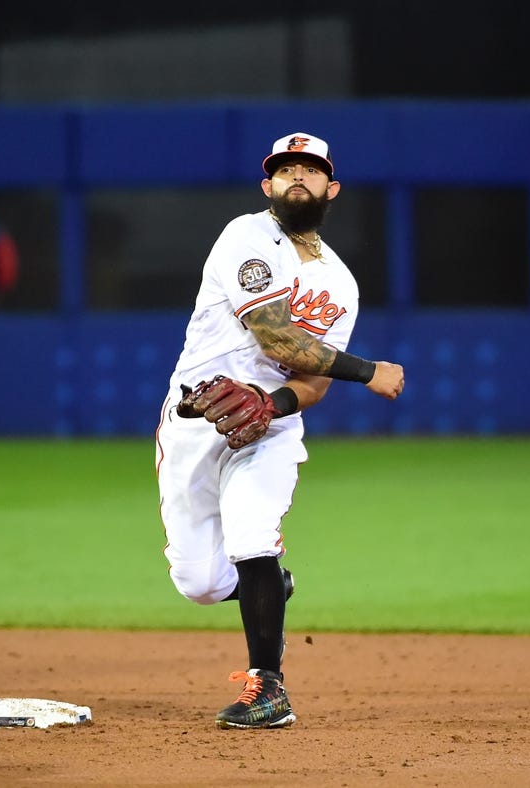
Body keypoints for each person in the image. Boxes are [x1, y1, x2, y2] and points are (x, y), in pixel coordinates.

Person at [154, 132, 405, 730]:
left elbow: (311, 382)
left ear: (331, 189)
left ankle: (268, 689)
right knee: (199, 582)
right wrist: (369, 372)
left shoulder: (341, 284)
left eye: (310, 170)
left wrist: (271, 403)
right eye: (286, 169)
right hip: (193, 422)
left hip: (269, 428)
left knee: (251, 536)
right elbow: (277, 337)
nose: (298, 177)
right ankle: (270, 588)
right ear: (268, 186)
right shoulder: (246, 236)